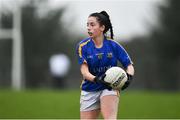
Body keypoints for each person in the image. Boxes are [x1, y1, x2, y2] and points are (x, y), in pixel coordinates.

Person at [76, 11, 135, 119]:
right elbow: (84, 71)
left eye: (92, 24)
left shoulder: (113, 45)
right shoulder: (82, 46)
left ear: (102, 27)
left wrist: (129, 77)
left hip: (109, 87)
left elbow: (129, 65)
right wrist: (96, 79)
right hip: (89, 89)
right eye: (87, 25)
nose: (88, 28)